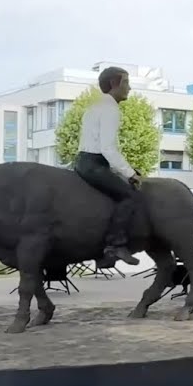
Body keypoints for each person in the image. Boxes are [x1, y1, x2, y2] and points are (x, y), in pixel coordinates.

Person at [75, 66, 142, 268]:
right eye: (126, 83)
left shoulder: (94, 107)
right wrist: (131, 174)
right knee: (129, 196)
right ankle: (115, 245)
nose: (129, 88)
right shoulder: (110, 109)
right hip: (94, 164)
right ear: (114, 84)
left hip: (83, 161)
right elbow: (107, 148)